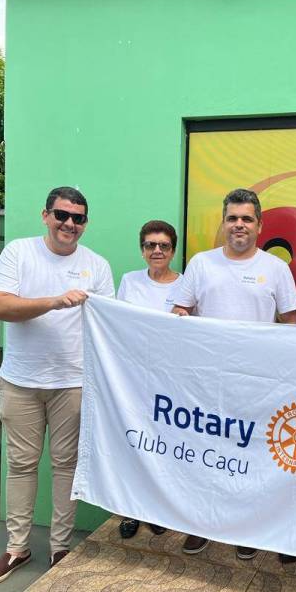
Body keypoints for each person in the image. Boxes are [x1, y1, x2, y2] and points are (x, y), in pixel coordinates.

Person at [172, 188, 296, 560]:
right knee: (205, 454)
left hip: (256, 384)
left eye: (246, 218)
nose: (238, 225)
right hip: (206, 384)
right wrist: (180, 317)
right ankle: (201, 525)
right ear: (224, 223)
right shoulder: (201, 264)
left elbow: (292, 325)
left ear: (259, 225)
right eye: (232, 218)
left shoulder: (276, 269)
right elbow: (180, 312)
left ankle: (247, 528)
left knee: (251, 457)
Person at [0, 186, 114, 582]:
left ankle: (60, 547)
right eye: (61, 215)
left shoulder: (97, 265)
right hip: (19, 380)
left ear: (85, 223)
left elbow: (108, 324)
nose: (69, 224)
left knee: (66, 465)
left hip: (73, 383)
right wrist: (54, 301)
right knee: (21, 465)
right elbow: (2, 306)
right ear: (45, 215)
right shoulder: (18, 252)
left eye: (77, 218)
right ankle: (17, 547)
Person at [116, 220, 181, 539]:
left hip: (170, 381)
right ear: (142, 249)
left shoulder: (185, 285)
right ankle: (130, 510)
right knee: (133, 443)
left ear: (173, 250)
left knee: (163, 445)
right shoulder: (129, 281)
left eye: (164, 245)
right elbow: (117, 324)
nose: (157, 250)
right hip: (133, 378)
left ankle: (156, 509)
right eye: (150, 245)